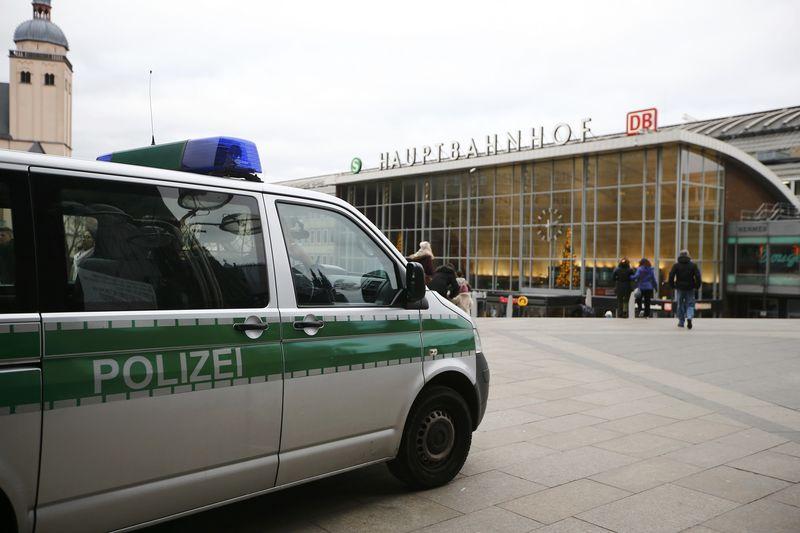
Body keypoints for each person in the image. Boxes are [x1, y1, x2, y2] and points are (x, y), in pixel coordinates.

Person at [669, 249, 702, 329]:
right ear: (688, 255)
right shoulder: (693, 265)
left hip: (680, 287)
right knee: (690, 304)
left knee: (680, 304)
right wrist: (697, 286)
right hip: (690, 288)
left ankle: (681, 321)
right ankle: (689, 317)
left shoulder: (676, 265)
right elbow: (698, 276)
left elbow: (671, 275)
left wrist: (672, 285)